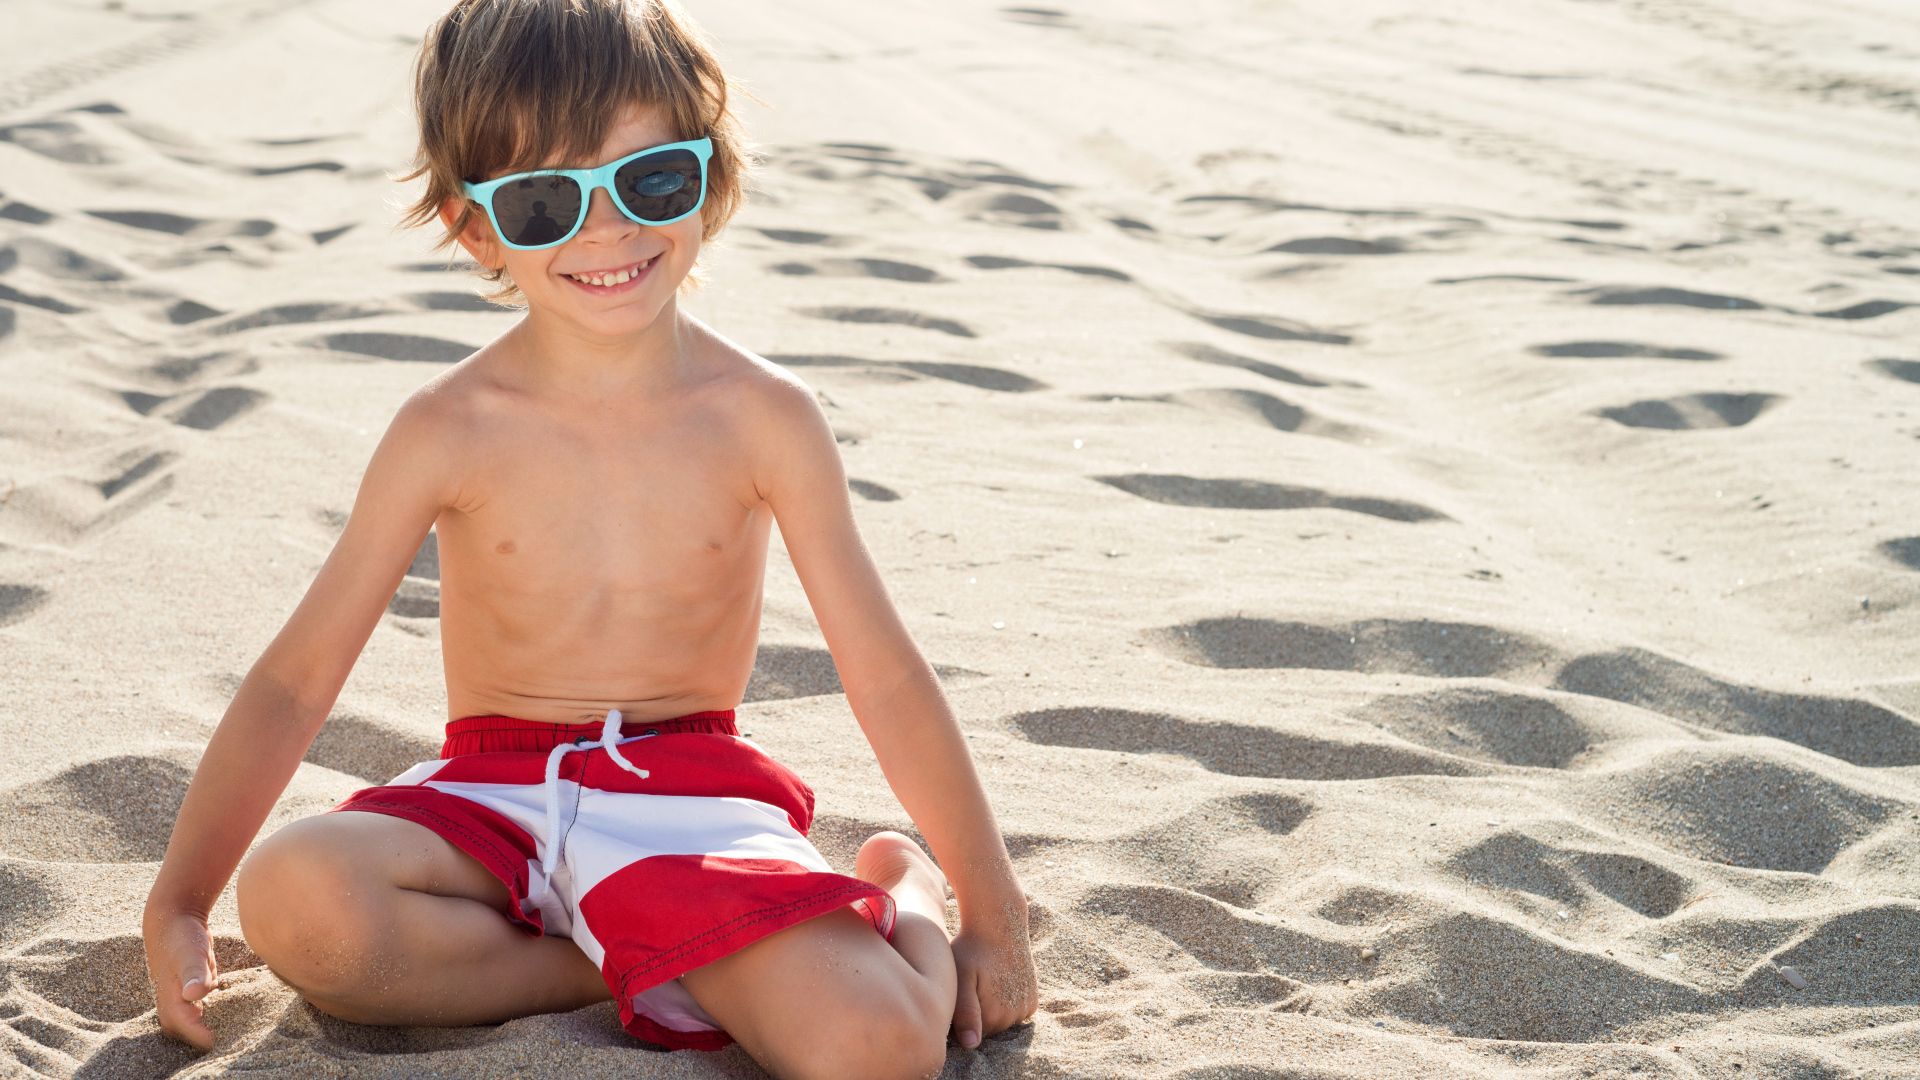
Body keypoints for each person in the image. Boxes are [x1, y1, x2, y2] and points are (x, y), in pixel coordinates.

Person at [140, 1, 1038, 1076]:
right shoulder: (448, 428)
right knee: (302, 900)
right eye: (541, 200)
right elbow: (297, 682)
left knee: (876, 1050)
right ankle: (636, 961)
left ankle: (904, 898)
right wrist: (182, 900)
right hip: (491, 800)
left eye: (650, 180)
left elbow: (884, 674)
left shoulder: (765, 418)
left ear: (711, 176)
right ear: (477, 229)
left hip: (688, 798)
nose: (605, 231)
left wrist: (992, 907)